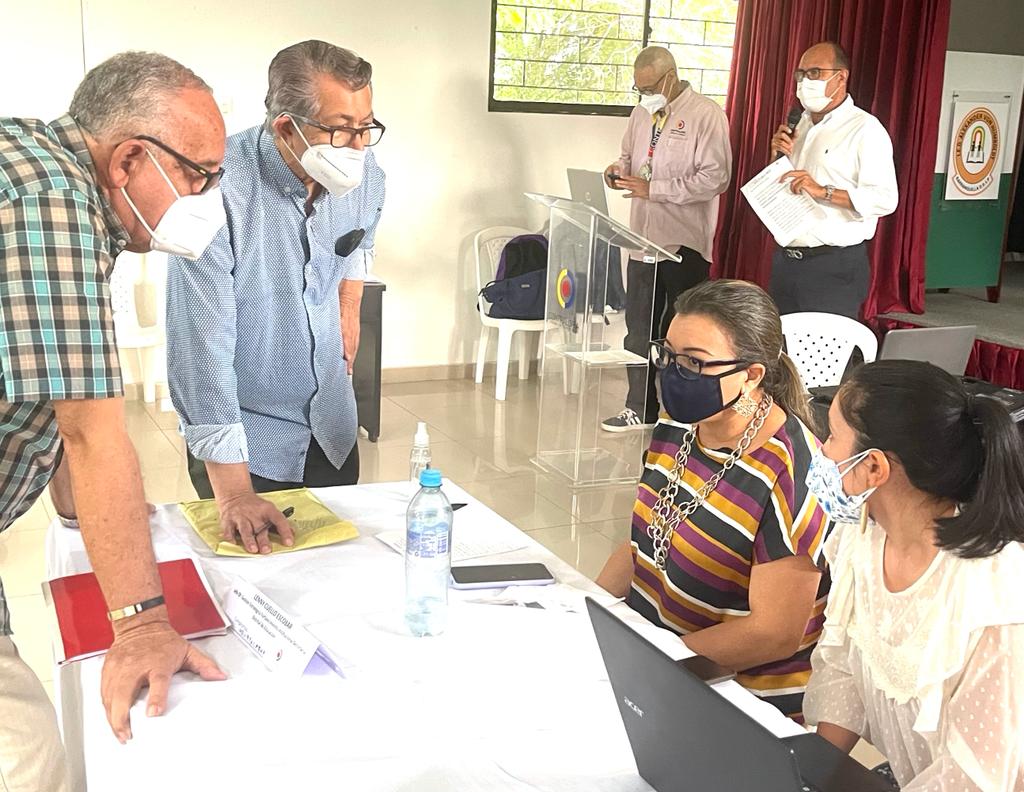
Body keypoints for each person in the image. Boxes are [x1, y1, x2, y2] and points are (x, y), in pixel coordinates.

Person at [0, 52, 228, 787]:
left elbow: (50, 394)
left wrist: (80, 532)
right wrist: (141, 624)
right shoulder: (51, 201)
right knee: (34, 766)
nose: (206, 197)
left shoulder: (35, 161)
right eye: (199, 174)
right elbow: (91, 432)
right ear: (130, 157)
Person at [167, 40, 386, 555]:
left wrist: (348, 312)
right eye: (342, 128)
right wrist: (235, 493)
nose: (358, 147)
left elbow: (359, 244)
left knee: (333, 579)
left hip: (330, 427)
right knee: (260, 590)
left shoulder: (367, 176)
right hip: (249, 442)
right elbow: (201, 347)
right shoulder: (214, 192)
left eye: (367, 126)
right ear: (286, 127)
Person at [596, 279, 832, 721]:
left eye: (694, 362)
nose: (673, 373)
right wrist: (587, 614)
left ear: (752, 374)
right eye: (668, 355)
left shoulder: (792, 471)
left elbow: (773, 634)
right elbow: (644, 544)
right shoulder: (680, 423)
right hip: (655, 664)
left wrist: (655, 666)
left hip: (733, 698)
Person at [803, 361, 1024, 790]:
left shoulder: (993, 596)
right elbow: (842, 670)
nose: (821, 452)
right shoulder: (861, 537)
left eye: (831, 436)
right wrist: (810, 777)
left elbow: (973, 776)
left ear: (875, 469)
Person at [600, 46, 732, 432]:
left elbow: (715, 178)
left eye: (649, 87)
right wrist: (616, 170)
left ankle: (684, 412)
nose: (644, 95)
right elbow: (627, 156)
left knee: (683, 333)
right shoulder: (642, 113)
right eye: (638, 88)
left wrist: (654, 188)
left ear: (670, 77)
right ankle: (639, 407)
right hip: (642, 239)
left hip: (683, 245)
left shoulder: (706, 115)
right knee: (638, 330)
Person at [768, 41, 898, 320]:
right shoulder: (798, 124)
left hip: (832, 266)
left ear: (841, 77)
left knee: (820, 357)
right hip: (786, 260)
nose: (805, 82)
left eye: (815, 72)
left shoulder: (865, 129)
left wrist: (823, 191)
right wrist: (775, 160)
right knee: (780, 355)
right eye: (801, 74)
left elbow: (885, 199)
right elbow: (787, 186)